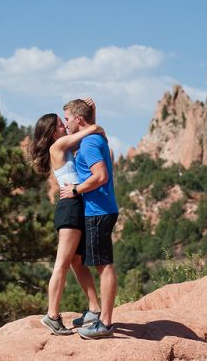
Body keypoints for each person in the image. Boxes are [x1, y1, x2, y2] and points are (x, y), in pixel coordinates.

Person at [29, 98, 103, 336]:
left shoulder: (65, 147)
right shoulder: (57, 148)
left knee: (77, 262)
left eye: (65, 122)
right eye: (61, 124)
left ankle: (94, 308)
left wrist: (91, 112)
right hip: (70, 207)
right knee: (62, 263)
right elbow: (89, 130)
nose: (65, 126)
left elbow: (86, 131)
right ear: (52, 133)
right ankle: (52, 315)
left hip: (75, 205)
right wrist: (93, 120)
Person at [59, 98, 119, 340]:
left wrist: (75, 190)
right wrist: (93, 114)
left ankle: (104, 323)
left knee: (103, 266)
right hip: (98, 209)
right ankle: (97, 313)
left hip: (98, 210)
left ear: (78, 120)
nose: (65, 123)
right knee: (81, 260)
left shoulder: (89, 143)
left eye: (67, 119)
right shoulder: (92, 138)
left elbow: (101, 176)